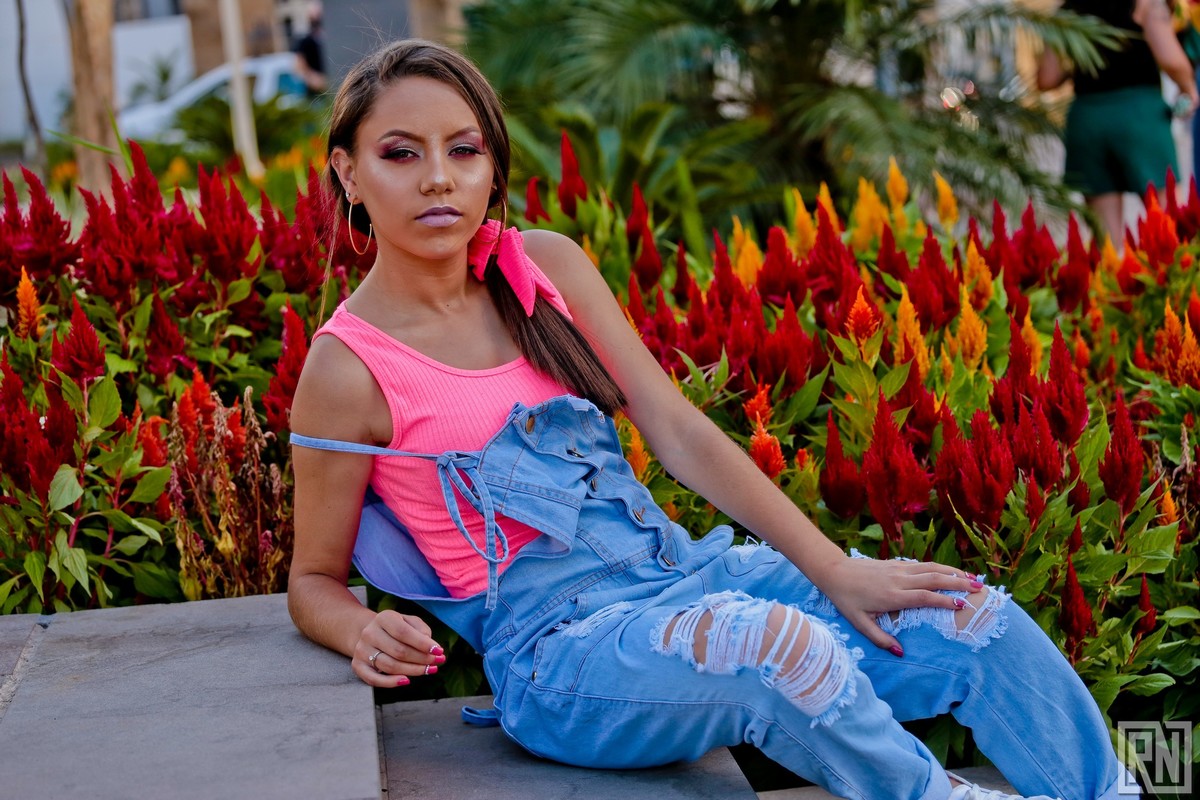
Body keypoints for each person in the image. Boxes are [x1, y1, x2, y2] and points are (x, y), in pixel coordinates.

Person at [287, 39, 1136, 800]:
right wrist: (362, 628)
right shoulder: (349, 366)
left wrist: (835, 569)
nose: (438, 177)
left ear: (492, 168)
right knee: (774, 645)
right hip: (561, 659)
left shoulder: (543, 268)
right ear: (349, 173)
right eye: (401, 153)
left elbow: (678, 429)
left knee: (969, 618)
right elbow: (312, 580)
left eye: (464, 149)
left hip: (685, 578)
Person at [1037, 0, 1198, 247]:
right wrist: (1189, 88)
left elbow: (1047, 78)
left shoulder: (1068, 9)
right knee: (1169, 229)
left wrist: (1082, 68)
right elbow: (1170, 58)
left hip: (1088, 118)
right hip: (1139, 115)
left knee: (1107, 246)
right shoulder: (1146, 3)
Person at [292, 1, 327, 98]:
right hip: (315, 94)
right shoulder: (306, 41)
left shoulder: (329, 38)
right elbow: (298, 65)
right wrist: (312, 78)